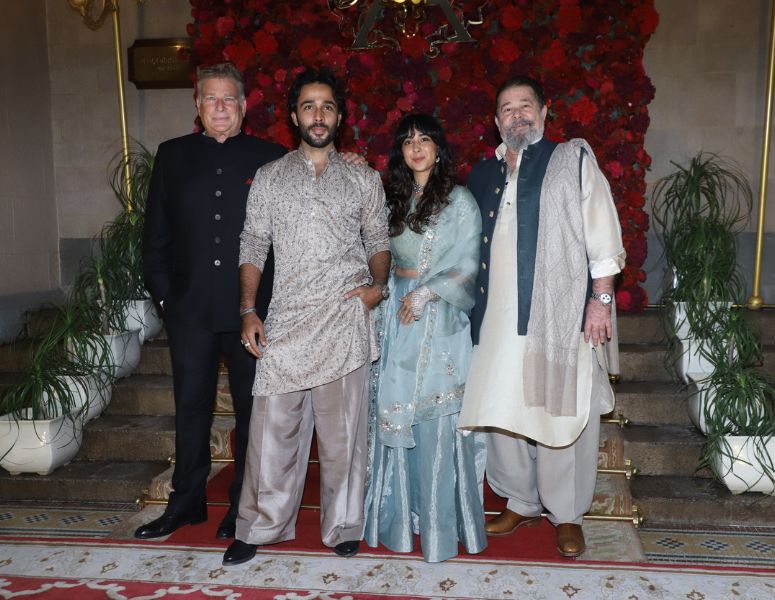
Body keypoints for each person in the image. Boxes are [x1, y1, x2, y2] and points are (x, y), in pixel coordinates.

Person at [221, 68, 390, 566]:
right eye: (309, 106)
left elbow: (378, 240)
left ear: (339, 117)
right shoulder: (271, 177)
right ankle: (259, 526)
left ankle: (343, 526)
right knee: (271, 434)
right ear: (294, 116)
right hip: (286, 320)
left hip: (343, 317)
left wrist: (377, 287)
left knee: (343, 437)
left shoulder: (362, 177)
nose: (319, 115)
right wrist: (248, 309)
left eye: (328, 106)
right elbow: (253, 244)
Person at [458, 75, 625, 558]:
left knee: (560, 407)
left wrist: (601, 300)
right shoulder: (482, 176)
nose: (518, 115)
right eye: (507, 108)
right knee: (501, 408)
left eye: (525, 105)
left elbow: (602, 231)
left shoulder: (570, 160)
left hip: (558, 312)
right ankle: (521, 500)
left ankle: (567, 512)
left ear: (544, 111)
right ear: (496, 121)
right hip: (494, 318)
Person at [136, 62, 286, 541]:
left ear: (243, 106)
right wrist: (168, 301)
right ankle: (186, 503)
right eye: (210, 99)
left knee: (251, 414)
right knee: (191, 410)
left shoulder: (272, 157)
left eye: (228, 99)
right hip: (191, 312)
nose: (220, 107)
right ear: (197, 105)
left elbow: (287, 240)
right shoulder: (172, 155)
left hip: (252, 314)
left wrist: (272, 305)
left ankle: (242, 506)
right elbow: (155, 238)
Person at [363, 114, 487, 562]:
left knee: (435, 417)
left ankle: (438, 526)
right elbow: (374, 250)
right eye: (408, 141)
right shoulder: (392, 197)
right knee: (395, 410)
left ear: (438, 148)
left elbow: (469, 260)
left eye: (425, 140)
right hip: (396, 313)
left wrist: (425, 293)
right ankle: (398, 520)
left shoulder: (459, 200)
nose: (416, 148)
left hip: (440, 315)